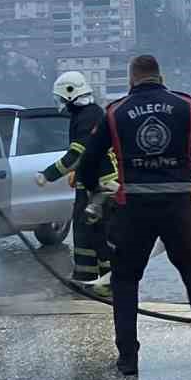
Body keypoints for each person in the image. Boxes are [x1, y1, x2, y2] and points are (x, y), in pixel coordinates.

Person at [76, 54, 191, 376]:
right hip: (180, 208)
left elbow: (88, 163)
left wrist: (95, 191)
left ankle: (128, 358)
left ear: (131, 79)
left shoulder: (116, 112)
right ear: (160, 77)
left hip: (133, 209)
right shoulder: (186, 107)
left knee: (124, 281)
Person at [35, 71, 118, 294]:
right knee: (83, 233)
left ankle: (109, 284)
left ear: (71, 95)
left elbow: (79, 153)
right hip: (89, 184)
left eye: (61, 99)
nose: (60, 104)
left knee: (101, 234)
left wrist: (48, 174)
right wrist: (78, 173)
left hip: (103, 186)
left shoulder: (89, 116)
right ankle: (84, 278)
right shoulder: (84, 115)